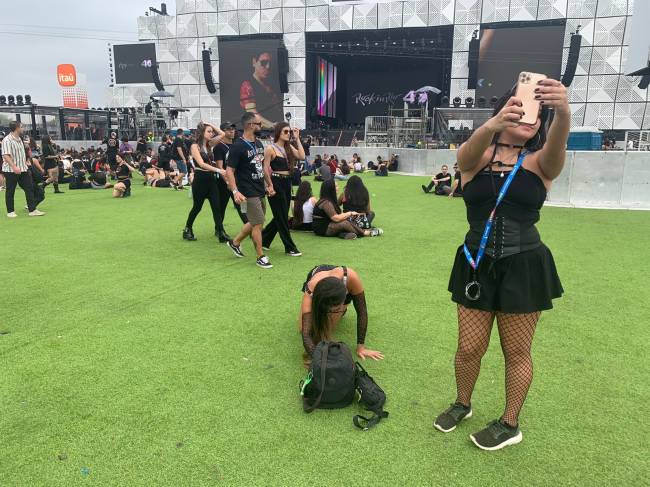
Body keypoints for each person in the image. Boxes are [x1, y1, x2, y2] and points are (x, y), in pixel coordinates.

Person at [436, 78, 569, 451]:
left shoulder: (540, 161)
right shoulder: (476, 157)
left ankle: (510, 423)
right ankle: (463, 403)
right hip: (475, 263)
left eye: (538, 115)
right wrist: (493, 124)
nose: (532, 118)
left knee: (517, 352)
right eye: (525, 108)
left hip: (524, 265)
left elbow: (557, 150)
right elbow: (463, 158)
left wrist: (563, 113)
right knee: (468, 348)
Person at [298, 265, 384, 367]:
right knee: (303, 328)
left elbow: (362, 312)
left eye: (335, 309)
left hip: (340, 284)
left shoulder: (351, 278)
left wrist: (361, 347)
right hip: (319, 282)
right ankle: (330, 310)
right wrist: (319, 361)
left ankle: (341, 311)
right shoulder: (311, 290)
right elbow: (306, 334)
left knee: (331, 323)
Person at [225, 112, 274, 269]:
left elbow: (261, 167)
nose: (262, 126)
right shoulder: (237, 146)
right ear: (250, 125)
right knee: (258, 224)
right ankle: (260, 256)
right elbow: (229, 171)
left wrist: (269, 184)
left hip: (260, 189)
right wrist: (235, 191)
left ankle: (235, 242)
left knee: (254, 222)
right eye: (259, 124)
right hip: (247, 192)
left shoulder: (258, 144)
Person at [261, 122, 305, 256]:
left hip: (287, 183)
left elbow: (302, 156)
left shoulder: (288, 147)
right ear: (278, 132)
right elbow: (264, 169)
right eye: (286, 131)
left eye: (289, 132)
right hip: (276, 182)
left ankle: (264, 239)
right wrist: (269, 185)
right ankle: (289, 247)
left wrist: (297, 139)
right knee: (282, 217)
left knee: (280, 215)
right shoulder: (270, 148)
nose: (288, 134)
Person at [182, 122, 227, 241]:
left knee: (217, 207)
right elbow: (201, 164)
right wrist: (219, 170)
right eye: (209, 131)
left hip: (211, 180)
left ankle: (221, 232)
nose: (212, 133)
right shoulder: (194, 146)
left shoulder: (209, 145)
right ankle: (187, 229)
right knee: (197, 207)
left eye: (212, 131)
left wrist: (210, 124)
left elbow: (222, 133)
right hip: (200, 179)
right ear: (202, 132)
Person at [312, 179, 382, 239]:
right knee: (344, 223)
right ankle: (365, 233)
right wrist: (350, 213)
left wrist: (347, 214)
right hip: (322, 228)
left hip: (328, 225)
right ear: (330, 188)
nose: (338, 187)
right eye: (336, 186)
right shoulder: (326, 202)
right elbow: (336, 218)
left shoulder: (329, 200)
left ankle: (345, 234)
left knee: (346, 220)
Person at [2, 122, 43, 217]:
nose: (23, 128)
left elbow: (22, 152)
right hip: (10, 170)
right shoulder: (7, 140)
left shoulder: (20, 139)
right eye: (21, 127)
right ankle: (10, 212)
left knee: (29, 188)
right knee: (10, 190)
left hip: (23, 168)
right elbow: (6, 155)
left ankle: (32, 210)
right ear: (17, 128)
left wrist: (26, 161)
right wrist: (14, 167)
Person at [213, 121, 248, 233]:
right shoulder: (219, 147)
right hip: (223, 182)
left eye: (233, 129)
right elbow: (220, 166)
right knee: (221, 207)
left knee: (241, 206)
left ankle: (249, 228)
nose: (232, 131)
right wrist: (228, 182)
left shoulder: (236, 144)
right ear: (223, 132)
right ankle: (219, 229)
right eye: (228, 129)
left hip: (236, 180)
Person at [240, 50, 282, 129]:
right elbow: (252, 113)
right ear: (254, 62)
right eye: (264, 62)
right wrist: (272, 125)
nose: (268, 66)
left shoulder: (270, 84)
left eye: (270, 63)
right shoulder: (247, 85)